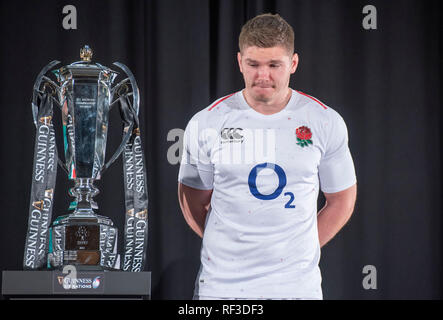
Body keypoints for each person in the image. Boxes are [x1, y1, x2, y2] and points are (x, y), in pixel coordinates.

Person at [178, 13, 357, 300]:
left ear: (293, 64)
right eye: (253, 64)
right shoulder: (206, 122)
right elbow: (192, 201)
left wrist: (298, 250)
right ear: (239, 62)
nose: (263, 75)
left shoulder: (325, 121)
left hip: (297, 289)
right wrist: (228, 247)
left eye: (274, 65)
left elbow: (342, 200)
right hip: (222, 289)